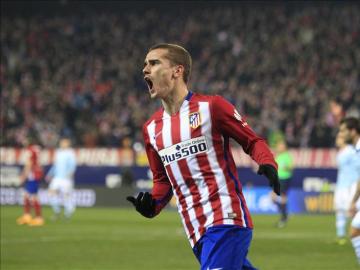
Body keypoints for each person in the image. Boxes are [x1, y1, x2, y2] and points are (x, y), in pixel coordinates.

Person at [127, 43, 280, 270]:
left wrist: (267, 162)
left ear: (177, 71)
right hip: (195, 229)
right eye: (145, 64)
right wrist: (152, 205)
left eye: (154, 63)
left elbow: (252, 141)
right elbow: (162, 181)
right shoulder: (151, 129)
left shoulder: (212, 107)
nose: (145, 69)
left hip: (226, 217)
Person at [339, 117, 360, 263]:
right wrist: (354, 201)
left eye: (343, 131)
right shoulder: (355, 149)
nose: (341, 134)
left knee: (354, 231)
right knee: (355, 231)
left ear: (352, 131)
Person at [333, 132, 357, 245]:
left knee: (351, 211)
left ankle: (356, 234)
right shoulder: (341, 152)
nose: (337, 139)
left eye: (339, 137)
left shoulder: (351, 151)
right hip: (341, 185)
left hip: (350, 185)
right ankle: (341, 235)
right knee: (339, 210)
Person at [46, 137, 77, 220]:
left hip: (66, 178)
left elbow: (73, 165)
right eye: (62, 142)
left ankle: (68, 213)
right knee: (50, 193)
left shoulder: (70, 153)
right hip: (57, 177)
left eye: (65, 142)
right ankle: (57, 211)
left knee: (66, 196)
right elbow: (55, 165)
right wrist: (50, 174)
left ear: (68, 144)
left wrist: (70, 174)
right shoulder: (58, 152)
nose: (63, 144)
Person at [16, 142, 45, 226]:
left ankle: (39, 218)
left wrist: (23, 176)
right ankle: (27, 216)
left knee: (33, 196)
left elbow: (29, 163)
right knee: (27, 195)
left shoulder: (30, 150)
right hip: (36, 174)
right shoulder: (37, 148)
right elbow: (39, 163)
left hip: (33, 175)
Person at [271, 139, 293, 228]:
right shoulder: (278, 156)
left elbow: (291, 167)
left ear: (284, 147)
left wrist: (286, 167)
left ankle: (284, 217)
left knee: (283, 197)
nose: (279, 147)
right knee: (273, 198)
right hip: (278, 179)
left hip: (284, 178)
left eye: (281, 145)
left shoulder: (287, 155)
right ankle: (285, 214)